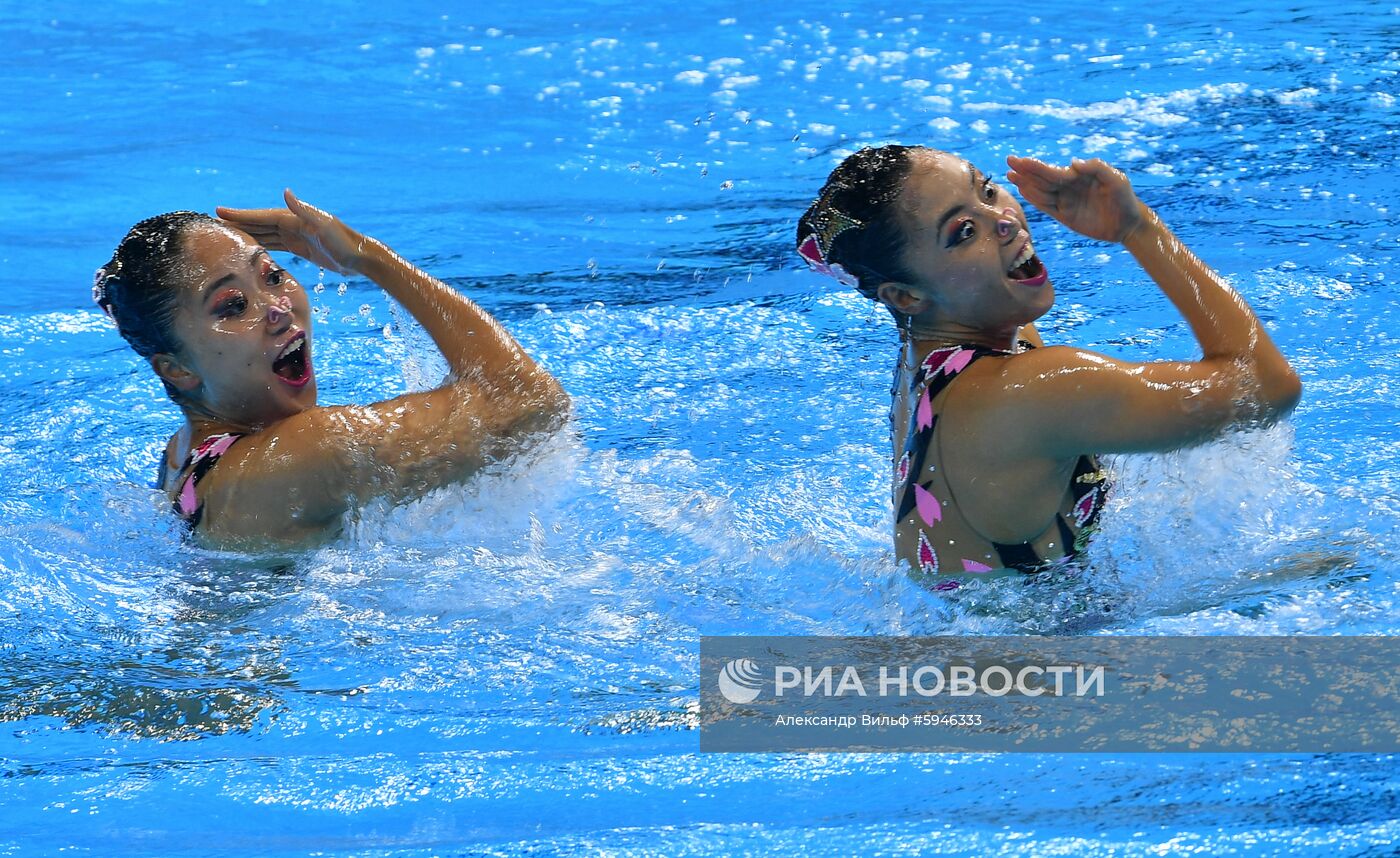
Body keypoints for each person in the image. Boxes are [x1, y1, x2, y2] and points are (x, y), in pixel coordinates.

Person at [796, 147, 1301, 590]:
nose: (1006, 220)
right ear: (906, 295)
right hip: (1027, 681)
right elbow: (1266, 388)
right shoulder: (1037, 390)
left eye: (988, 191)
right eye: (964, 231)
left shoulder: (933, 358)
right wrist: (1137, 227)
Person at [94, 190, 569, 549]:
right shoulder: (303, 452)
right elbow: (528, 404)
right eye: (233, 306)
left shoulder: (185, 457)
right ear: (176, 370)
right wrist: (368, 258)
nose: (278, 307)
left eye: (273, 276)